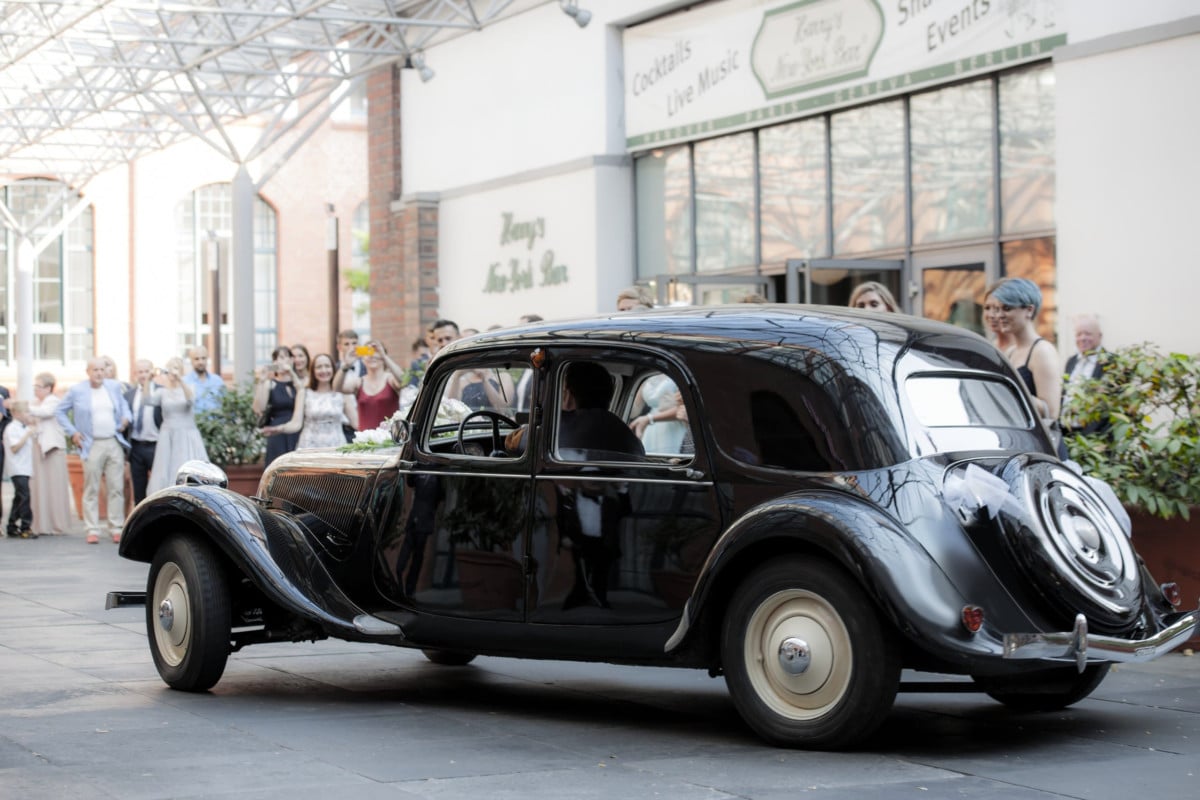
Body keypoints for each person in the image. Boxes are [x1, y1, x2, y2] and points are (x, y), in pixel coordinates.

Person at [56, 356, 133, 544]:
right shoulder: (77, 390)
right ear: (88, 372)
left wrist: (125, 418)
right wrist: (73, 432)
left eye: (101, 370)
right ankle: (92, 529)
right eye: (95, 370)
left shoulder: (113, 387)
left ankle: (115, 527)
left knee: (116, 487)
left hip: (113, 441)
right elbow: (60, 411)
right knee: (92, 487)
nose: (99, 373)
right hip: (91, 444)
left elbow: (124, 408)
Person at [984, 277, 1063, 425]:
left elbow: (1052, 411)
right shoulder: (1011, 352)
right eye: (998, 309)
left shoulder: (1042, 351)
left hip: (1037, 444)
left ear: (1029, 310)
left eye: (1007, 308)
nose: (999, 315)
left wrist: (1009, 391)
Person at [263, 353, 358, 449]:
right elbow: (296, 424)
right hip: (309, 446)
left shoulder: (342, 393)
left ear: (333, 369)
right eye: (319, 367)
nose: (323, 370)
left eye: (327, 366)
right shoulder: (304, 393)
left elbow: (356, 423)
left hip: (336, 446)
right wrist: (278, 429)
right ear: (313, 371)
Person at [146, 357, 210, 494]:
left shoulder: (189, 387)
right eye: (170, 368)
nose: (172, 372)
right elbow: (146, 401)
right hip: (167, 434)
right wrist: (148, 380)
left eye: (175, 368)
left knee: (186, 467)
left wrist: (180, 380)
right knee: (165, 469)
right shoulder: (162, 392)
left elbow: (191, 400)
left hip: (186, 435)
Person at [26, 372, 71, 536]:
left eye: (38, 387)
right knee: (40, 487)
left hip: (53, 448)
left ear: (48, 388)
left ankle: (56, 524)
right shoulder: (36, 402)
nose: (35, 390)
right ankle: (41, 524)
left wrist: (22, 407)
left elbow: (44, 412)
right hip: (38, 448)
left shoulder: (54, 401)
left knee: (54, 487)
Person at [333, 338, 407, 431]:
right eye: (367, 352)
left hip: (389, 439)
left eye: (376, 352)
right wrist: (346, 365)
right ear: (363, 359)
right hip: (365, 440)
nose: (371, 356)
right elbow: (337, 387)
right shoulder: (359, 382)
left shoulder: (391, 379)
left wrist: (384, 356)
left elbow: (404, 381)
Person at [1062, 313, 1110, 436]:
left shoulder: (1111, 363)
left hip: (1095, 438)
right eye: (1079, 334)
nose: (1082, 338)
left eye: (1088, 334)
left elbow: (1110, 408)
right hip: (1067, 433)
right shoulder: (1071, 361)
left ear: (1100, 336)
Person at [254, 346, 301, 466]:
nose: (280, 362)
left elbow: (301, 389)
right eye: (276, 359)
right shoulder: (270, 384)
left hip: (297, 429)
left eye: (283, 357)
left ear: (291, 360)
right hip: (277, 432)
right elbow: (260, 408)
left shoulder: (299, 383)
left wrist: (291, 372)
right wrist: (261, 381)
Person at [125, 359, 163, 504]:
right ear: (135, 374)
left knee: (159, 487)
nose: (143, 375)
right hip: (136, 447)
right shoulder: (129, 395)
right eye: (140, 372)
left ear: (152, 372)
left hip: (156, 446)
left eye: (146, 371)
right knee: (139, 489)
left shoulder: (161, 391)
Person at [629, 372, 686, 454]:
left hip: (672, 426)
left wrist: (649, 418)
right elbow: (635, 409)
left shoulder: (678, 372)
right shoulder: (645, 376)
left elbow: (684, 409)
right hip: (650, 429)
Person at [4, 401, 35, 538]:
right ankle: (25, 526)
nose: (28, 414)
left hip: (25, 467)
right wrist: (27, 435)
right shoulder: (12, 429)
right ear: (16, 414)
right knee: (25, 497)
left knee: (19, 497)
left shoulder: (23, 428)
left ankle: (11, 525)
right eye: (26, 412)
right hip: (17, 468)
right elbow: (14, 448)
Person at [184, 345, 226, 414]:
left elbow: (226, 404)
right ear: (191, 361)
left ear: (207, 359)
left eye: (203, 358)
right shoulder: (184, 382)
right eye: (196, 359)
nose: (201, 362)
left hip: (216, 424)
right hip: (193, 424)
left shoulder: (217, 381)